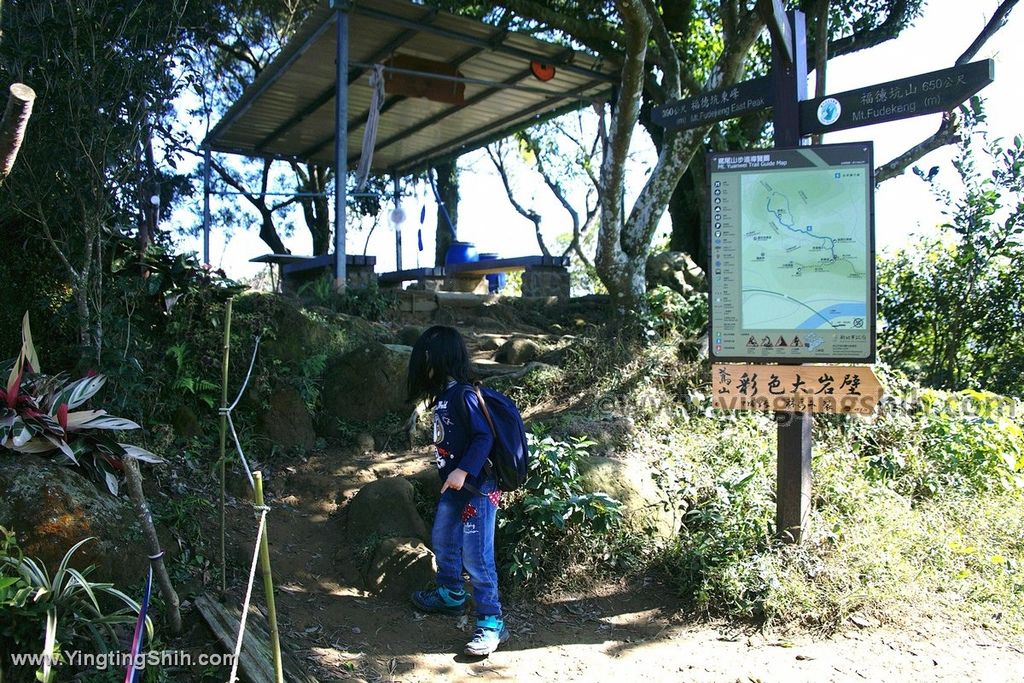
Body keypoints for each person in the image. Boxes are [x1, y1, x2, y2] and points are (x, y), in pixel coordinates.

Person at [406, 325, 509, 657]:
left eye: (425, 359)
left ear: (439, 359)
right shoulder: (446, 396)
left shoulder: (463, 394)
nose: (422, 366)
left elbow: (484, 437)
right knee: (444, 539)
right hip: (456, 486)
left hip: (478, 488)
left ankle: (492, 622)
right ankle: (451, 595)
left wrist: (464, 471)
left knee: (476, 555)